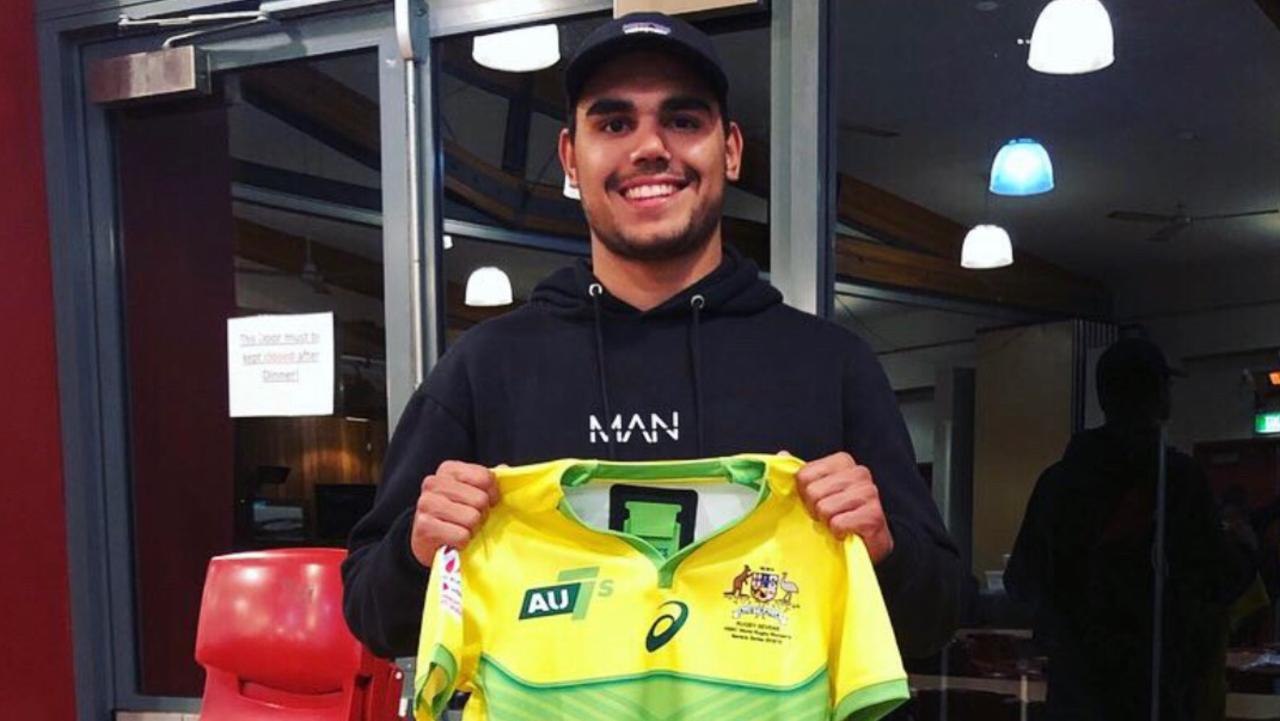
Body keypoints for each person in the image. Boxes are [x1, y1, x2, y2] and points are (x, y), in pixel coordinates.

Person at [342, 11, 962, 663]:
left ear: (730, 149)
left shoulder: (832, 365)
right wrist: (418, 550)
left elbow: (939, 616)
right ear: (570, 157)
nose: (649, 148)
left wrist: (884, 547)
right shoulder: (484, 368)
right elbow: (372, 615)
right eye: (614, 123)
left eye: (683, 120)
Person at [1005, 338, 1253, 721]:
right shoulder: (1175, 480)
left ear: (1103, 396)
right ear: (1158, 395)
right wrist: (1245, 547)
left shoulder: (1057, 481)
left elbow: (1020, 581)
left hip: (1074, 691)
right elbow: (1217, 578)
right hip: (1156, 688)